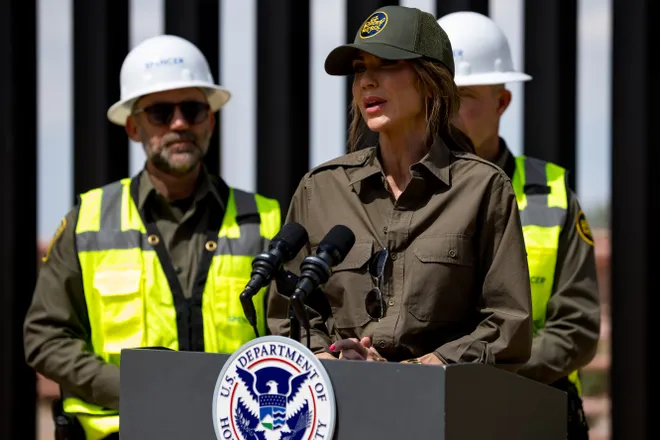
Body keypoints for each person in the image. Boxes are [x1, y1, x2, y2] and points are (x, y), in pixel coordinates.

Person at [23, 35, 281, 440]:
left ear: (210, 120)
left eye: (193, 109)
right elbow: (46, 336)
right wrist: (130, 390)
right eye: (160, 112)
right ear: (133, 126)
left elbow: (295, 335)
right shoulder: (87, 221)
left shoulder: (266, 221)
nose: (179, 123)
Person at [267, 5, 533, 370]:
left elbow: (507, 324)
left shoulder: (483, 189)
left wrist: (418, 369)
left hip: (443, 415)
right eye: (360, 69)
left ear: (431, 79)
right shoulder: (320, 190)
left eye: (386, 65)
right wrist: (331, 357)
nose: (366, 82)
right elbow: (287, 312)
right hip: (339, 408)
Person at [437, 11, 601, 439]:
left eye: (465, 96)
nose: (450, 111)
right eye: (440, 96)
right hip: (433, 411)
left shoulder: (553, 194)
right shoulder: (405, 191)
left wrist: (478, 373)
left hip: (533, 411)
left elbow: (576, 329)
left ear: (502, 102)